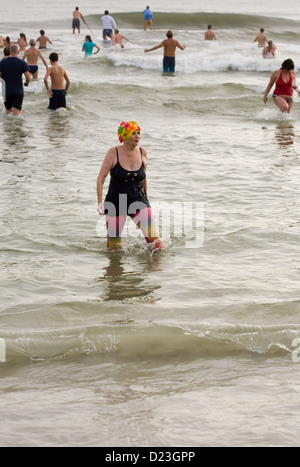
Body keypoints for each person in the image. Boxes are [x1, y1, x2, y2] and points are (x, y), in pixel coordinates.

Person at [97, 121, 162, 251]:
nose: (137, 136)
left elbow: (144, 178)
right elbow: (101, 178)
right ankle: (114, 270)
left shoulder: (143, 152)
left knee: (156, 244)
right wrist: (99, 203)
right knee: (114, 249)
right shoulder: (113, 152)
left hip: (138, 200)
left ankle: (152, 270)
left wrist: (146, 200)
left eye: (139, 133)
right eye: (133, 133)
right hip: (116, 202)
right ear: (125, 135)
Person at [0, 44, 31, 116]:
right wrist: (26, 83)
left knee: (8, 112)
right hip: (18, 91)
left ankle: (8, 127)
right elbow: (28, 77)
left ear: (10, 51)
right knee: (16, 114)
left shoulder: (3, 62)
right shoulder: (22, 62)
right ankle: (16, 127)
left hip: (6, 91)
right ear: (18, 51)